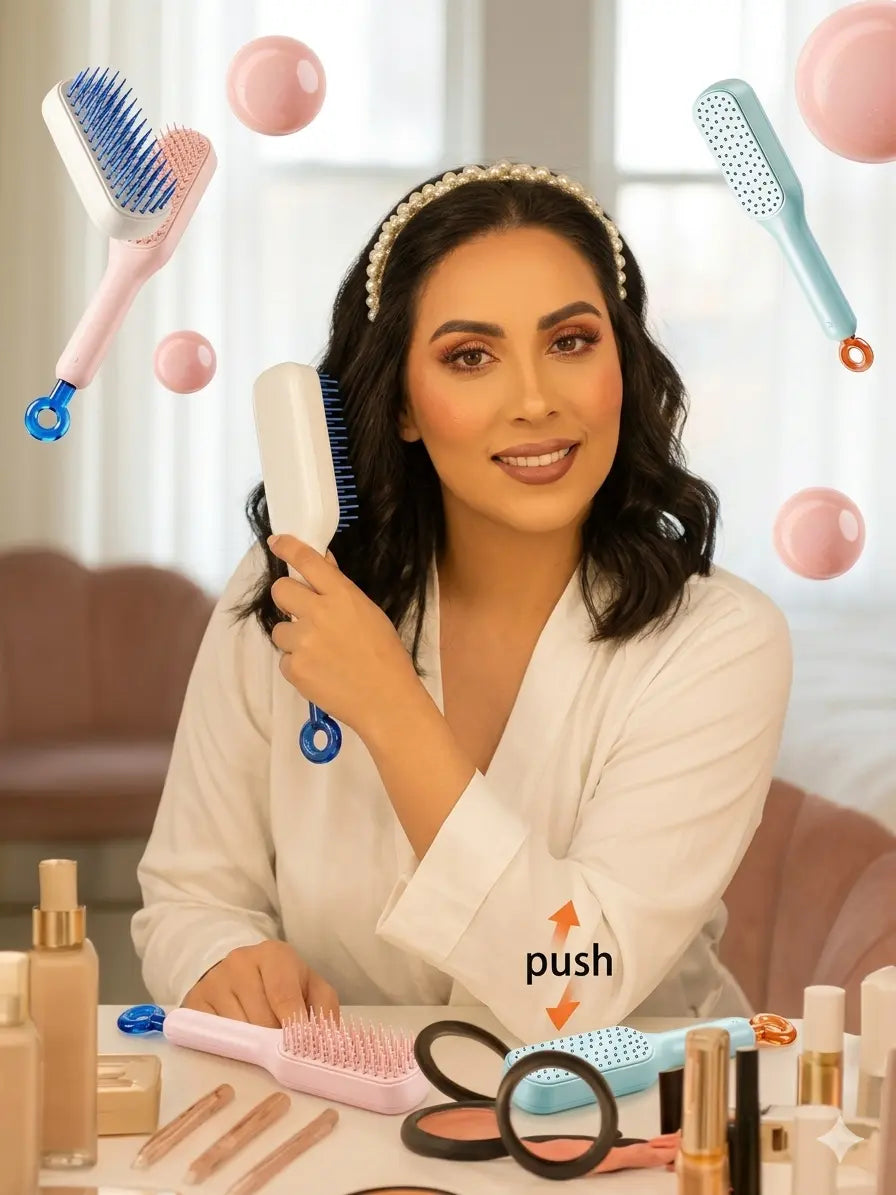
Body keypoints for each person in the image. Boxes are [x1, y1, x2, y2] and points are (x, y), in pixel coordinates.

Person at [131, 160, 792, 1044]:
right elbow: (187, 896)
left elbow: (572, 986)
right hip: (347, 1119)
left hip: (636, 1127)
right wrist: (219, 959)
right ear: (402, 402)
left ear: (622, 365)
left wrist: (391, 710)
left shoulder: (721, 642)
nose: (532, 400)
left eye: (570, 342)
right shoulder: (288, 595)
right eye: (470, 357)